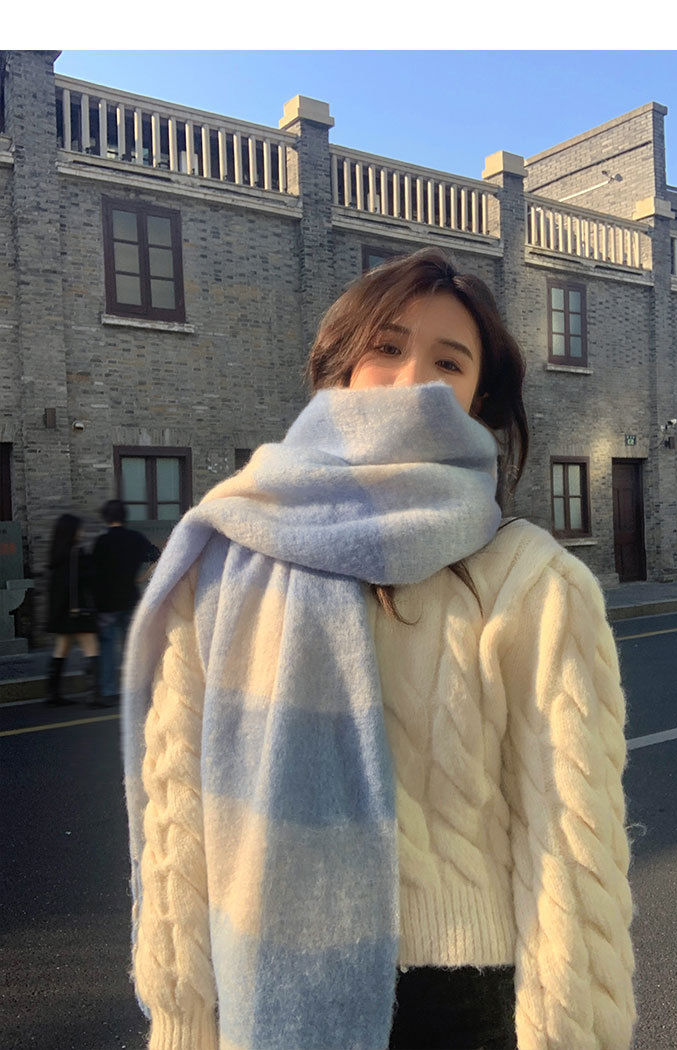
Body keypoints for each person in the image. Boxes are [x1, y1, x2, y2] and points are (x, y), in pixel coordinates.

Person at [123, 249, 636, 1050]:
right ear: (342, 363)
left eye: (448, 362)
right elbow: (179, 811)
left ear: (478, 396)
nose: (411, 380)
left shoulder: (531, 581)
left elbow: (574, 845)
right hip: (260, 976)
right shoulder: (227, 553)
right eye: (388, 347)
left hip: (459, 999)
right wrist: (184, 1017)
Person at [92, 500, 160, 703]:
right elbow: (157, 556)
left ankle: (108, 690)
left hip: (106, 604)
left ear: (106, 518)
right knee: (133, 647)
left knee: (107, 648)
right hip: (130, 599)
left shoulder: (102, 542)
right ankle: (138, 688)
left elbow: (94, 574)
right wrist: (143, 577)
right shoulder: (135, 538)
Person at [46, 513, 100, 707]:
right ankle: (93, 696)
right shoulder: (77, 553)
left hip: (62, 612)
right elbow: (88, 580)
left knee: (61, 650)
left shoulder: (57, 554)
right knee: (92, 648)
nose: (82, 532)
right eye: (79, 528)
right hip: (78, 612)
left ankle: (53, 694)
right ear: (72, 531)